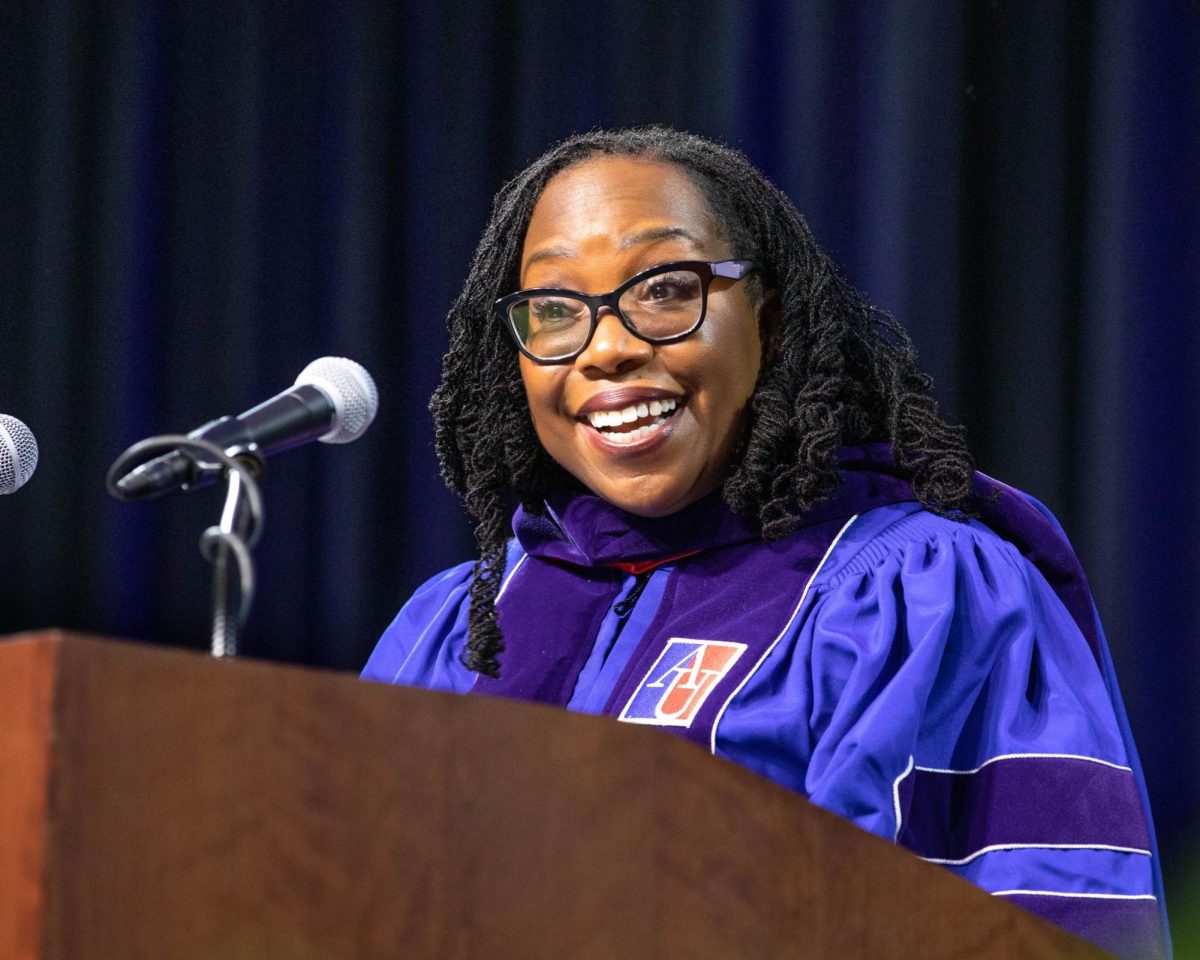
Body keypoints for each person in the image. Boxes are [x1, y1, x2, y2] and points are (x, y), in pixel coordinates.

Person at [362, 127, 1169, 959]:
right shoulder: (454, 629)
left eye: (666, 289)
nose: (607, 347)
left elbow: (1050, 920)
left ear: (769, 320)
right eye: (557, 310)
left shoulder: (918, 592)